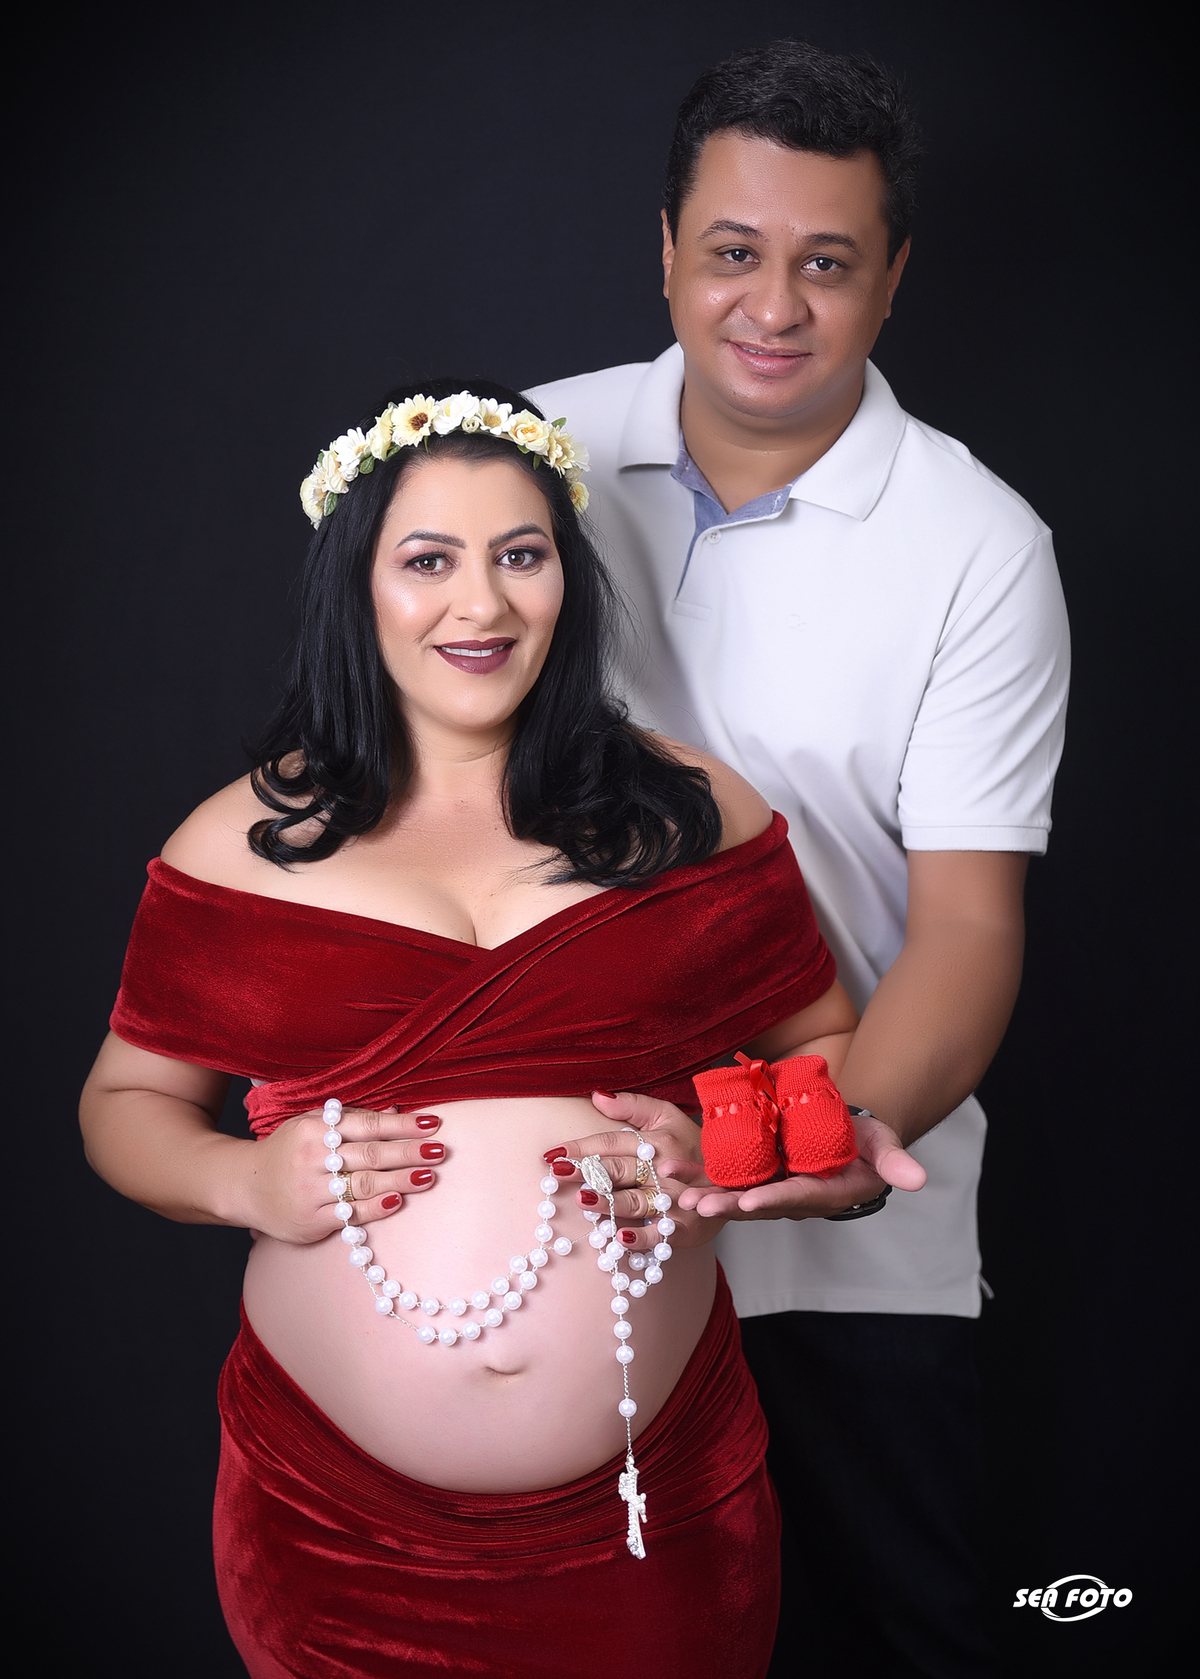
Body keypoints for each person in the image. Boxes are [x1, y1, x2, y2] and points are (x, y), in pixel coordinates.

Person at [79, 379, 866, 1679]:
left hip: (652, 1518)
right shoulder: (238, 842)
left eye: (522, 555)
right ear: (358, 585)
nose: (483, 605)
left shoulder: (689, 811)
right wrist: (245, 1180)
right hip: (332, 1536)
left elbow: (827, 1048)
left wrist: (720, 1151)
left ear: (569, 577)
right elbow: (123, 1106)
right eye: (429, 560)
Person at [528, 39, 1070, 1679]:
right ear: (665, 252)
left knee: (891, 1642)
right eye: (733, 252)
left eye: (828, 264)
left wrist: (812, 1146)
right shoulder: (526, 461)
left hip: (849, 1251)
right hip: (552, 1219)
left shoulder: (979, 547)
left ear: (894, 278)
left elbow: (968, 929)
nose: (773, 307)